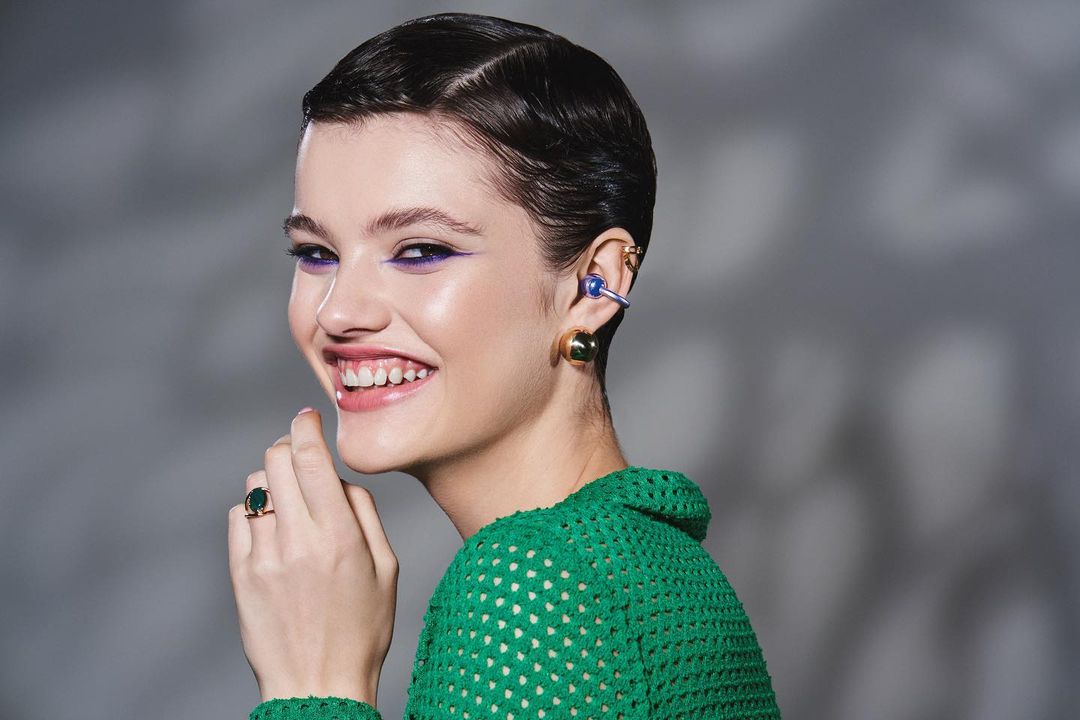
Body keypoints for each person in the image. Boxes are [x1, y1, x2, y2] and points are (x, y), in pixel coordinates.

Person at [227, 12, 781, 720]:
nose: (338, 312)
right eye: (316, 253)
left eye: (421, 250)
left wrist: (315, 683)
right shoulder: (649, 565)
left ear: (594, 284)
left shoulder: (532, 585)